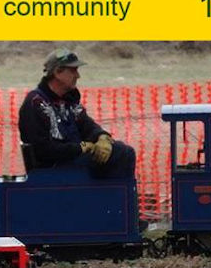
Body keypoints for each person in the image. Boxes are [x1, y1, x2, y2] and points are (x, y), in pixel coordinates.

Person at [18, 48, 136, 179]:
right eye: (73, 70)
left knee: (121, 150)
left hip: (72, 161)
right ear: (57, 72)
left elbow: (87, 125)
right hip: (53, 168)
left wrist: (102, 137)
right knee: (122, 153)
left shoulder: (69, 100)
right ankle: (112, 197)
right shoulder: (35, 103)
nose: (78, 76)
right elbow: (42, 149)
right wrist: (80, 148)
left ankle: (110, 196)